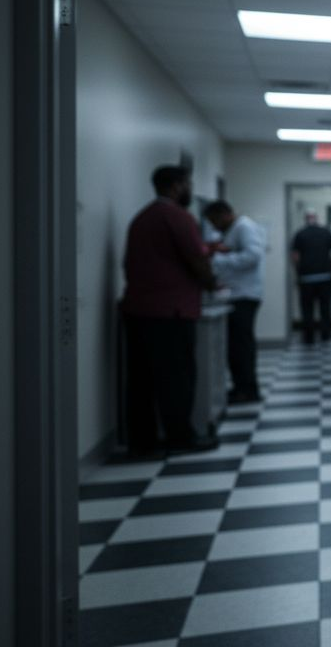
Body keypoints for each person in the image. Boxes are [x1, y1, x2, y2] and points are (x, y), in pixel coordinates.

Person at [120, 165, 219, 455]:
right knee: (176, 377)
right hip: (170, 312)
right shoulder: (177, 217)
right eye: (188, 183)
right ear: (176, 186)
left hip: (138, 310)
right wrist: (211, 282)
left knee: (141, 380)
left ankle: (143, 440)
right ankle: (180, 437)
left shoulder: (142, 217)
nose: (189, 189)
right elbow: (197, 258)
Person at [203, 200, 267, 404]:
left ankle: (248, 390)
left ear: (225, 214)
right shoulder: (233, 229)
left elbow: (253, 256)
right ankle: (241, 386)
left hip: (245, 295)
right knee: (235, 346)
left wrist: (219, 260)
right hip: (236, 295)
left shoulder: (244, 227)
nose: (214, 226)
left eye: (215, 220)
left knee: (241, 346)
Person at [290, 211, 331, 344]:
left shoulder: (300, 234)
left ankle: (309, 337)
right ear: (316, 218)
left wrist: (298, 272)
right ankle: (326, 334)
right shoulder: (326, 232)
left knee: (307, 309)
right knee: (325, 308)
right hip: (325, 277)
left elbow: (295, 256)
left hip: (306, 278)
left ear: (306, 219)